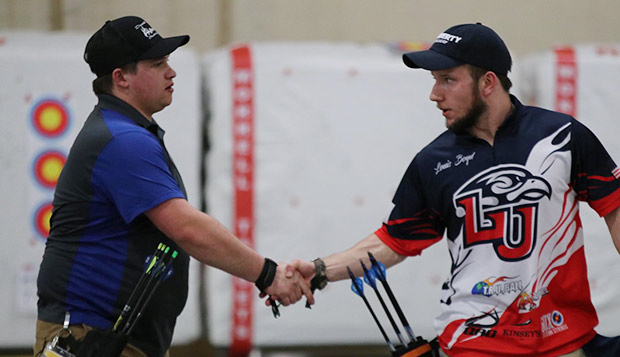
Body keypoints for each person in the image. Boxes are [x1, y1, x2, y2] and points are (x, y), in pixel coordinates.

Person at [285, 23, 620, 356]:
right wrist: (320, 270)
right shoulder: (432, 162)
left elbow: (614, 209)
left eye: (448, 79)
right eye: (434, 81)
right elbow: (393, 242)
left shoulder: (562, 135)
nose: (434, 94)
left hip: (565, 339)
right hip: (472, 342)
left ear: (488, 82)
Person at [34, 16, 312, 357]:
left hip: (114, 337)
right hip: (93, 337)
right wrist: (268, 273)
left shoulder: (125, 132)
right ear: (121, 78)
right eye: (157, 63)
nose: (172, 71)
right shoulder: (122, 140)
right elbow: (188, 228)